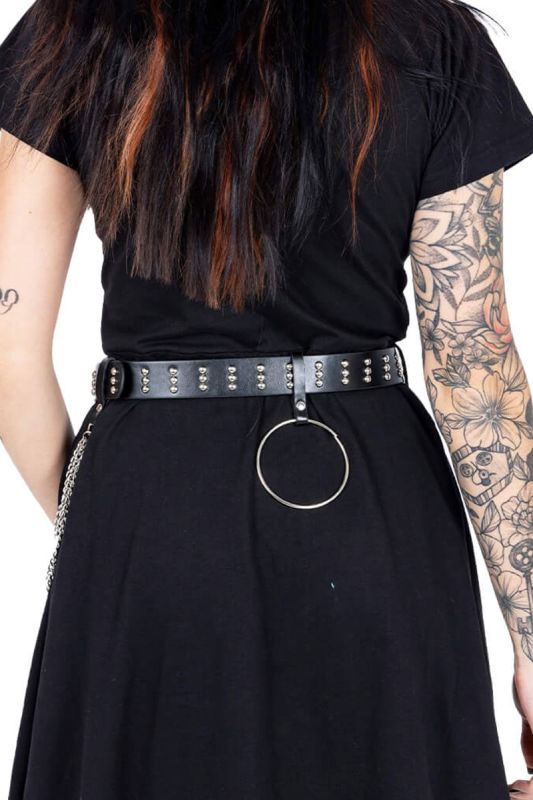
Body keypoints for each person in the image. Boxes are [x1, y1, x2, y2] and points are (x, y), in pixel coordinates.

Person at [1, 0, 533, 797]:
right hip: (374, 507)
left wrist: (108, 528)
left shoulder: (78, 24)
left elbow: (6, 350)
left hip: (151, 501)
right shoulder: (431, 32)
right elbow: (471, 360)